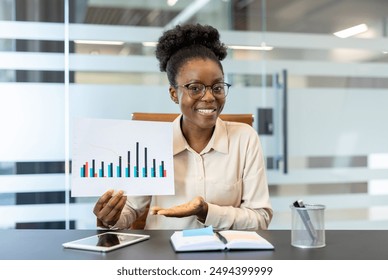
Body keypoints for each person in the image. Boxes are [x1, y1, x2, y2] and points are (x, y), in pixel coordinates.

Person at [93, 23, 273, 230]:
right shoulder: (153, 143)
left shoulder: (244, 138)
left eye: (217, 87)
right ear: (173, 93)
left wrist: (206, 211)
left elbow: (260, 219)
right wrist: (110, 218)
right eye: (195, 88)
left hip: (223, 255)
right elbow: (132, 210)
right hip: (164, 254)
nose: (209, 97)